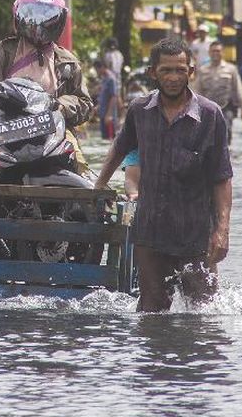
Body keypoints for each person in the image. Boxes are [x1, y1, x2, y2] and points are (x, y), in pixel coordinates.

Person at [95, 37, 233, 313]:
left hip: (195, 235)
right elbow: (119, 149)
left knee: (202, 315)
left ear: (191, 72)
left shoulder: (210, 115)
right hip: (151, 235)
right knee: (151, 314)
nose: (173, 78)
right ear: (152, 73)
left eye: (180, 70)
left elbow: (222, 177)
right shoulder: (139, 111)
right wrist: (98, 187)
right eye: (166, 70)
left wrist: (222, 231)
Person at [0, 0, 94, 181]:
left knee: (79, 162)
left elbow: (85, 103)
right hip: (2, 125)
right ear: (18, 17)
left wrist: (59, 105)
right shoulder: (2, 51)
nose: (39, 25)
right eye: (33, 16)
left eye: (46, 18)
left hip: (51, 127)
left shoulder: (67, 61)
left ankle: (89, 205)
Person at [191, 41, 242, 142]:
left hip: (226, 107)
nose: (215, 53)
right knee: (209, 135)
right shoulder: (203, 70)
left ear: (223, 52)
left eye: (218, 51)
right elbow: (196, 91)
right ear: (209, 53)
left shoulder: (231, 69)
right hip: (207, 109)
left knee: (227, 130)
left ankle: (227, 151)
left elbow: (238, 89)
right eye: (213, 51)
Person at [95, 59, 120, 139]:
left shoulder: (111, 79)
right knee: (104, 138)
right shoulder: (103, 79)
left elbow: (113, 97)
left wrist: (109, 114)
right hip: (103, 113)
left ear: (102, 67)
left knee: (110, 139)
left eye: (97, 69)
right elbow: (104, 96)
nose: (97, 72)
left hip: (109, 116)